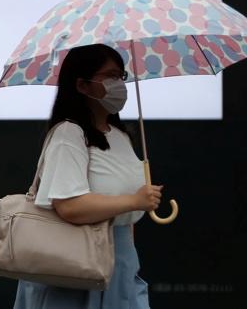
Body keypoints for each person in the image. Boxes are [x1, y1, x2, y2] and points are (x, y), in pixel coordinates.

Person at [13, 43, 162, 309]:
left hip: (120, 267)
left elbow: (125, 219)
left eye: (122, 76)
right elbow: (69, 206)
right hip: (74, 271)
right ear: (82, 85)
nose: (120, 84)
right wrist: (134, 201)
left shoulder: (120, 136)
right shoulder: (68, 134)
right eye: (110, 76)